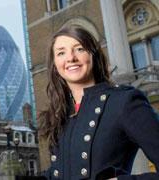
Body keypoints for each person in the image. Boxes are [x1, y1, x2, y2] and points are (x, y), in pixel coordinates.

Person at [38, 26, 159, 180]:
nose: (71, 58)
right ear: (54, 65)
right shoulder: (59, 114)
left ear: (93, 55)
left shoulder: (124, 101)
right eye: (61, 53)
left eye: (79, 49)